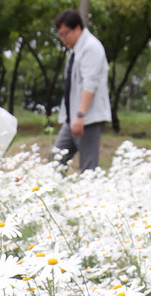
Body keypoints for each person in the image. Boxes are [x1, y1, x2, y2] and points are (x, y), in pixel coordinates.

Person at [53, 9, 110, 173]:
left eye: (65, 34)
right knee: (55, 159)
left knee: (88, 169)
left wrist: (80, 115)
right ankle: (57, 196)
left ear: (77, 28)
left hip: (87, 118)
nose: (63, 39)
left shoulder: (91, 47)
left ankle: (91, 197)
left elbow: (90, 83)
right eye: (60, 35)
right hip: (72, 118)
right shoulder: (75, 50)